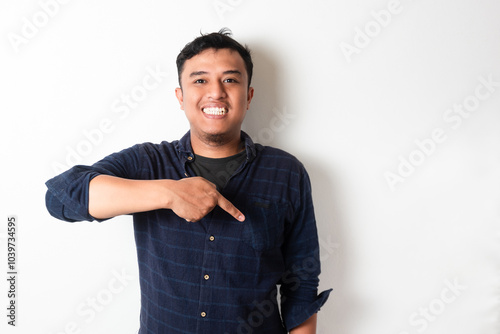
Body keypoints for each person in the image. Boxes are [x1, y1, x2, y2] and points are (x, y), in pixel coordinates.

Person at [45, 28, 331, 334]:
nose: (216, 92)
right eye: (200, 80)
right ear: (181, 97)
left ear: (248, 96)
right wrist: (168, 193)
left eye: (230, 79)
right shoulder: (149, 162)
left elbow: (300, 284)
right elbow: (61, 199)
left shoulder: (286, 172)